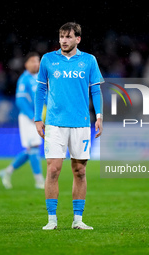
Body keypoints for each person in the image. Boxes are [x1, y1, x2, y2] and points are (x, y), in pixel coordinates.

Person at [35, 22, 103, 230]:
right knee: (53, 169)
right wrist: (38, 118)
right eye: (61, 37)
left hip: (81, 123)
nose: (63, 40)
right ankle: (51, 220)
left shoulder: (89, 61)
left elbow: (96, 91)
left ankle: (78, 219)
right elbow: (40, 91)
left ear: (77, 39)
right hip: (55, 124)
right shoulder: (48, 60)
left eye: (68, 37)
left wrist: (99, 116)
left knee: (80, 171)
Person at [0, 52, 46, 189]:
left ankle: (7, 171)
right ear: (26, 64)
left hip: (38, 117)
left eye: (37, 61)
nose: (36, 63)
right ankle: (39, 181)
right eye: (32, 61)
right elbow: (20, 100)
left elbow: (47, 97)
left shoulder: (40, 78)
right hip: (28, 118)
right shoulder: (24, 79)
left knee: (31, 150)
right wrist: (32, 116)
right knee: (34, 147)